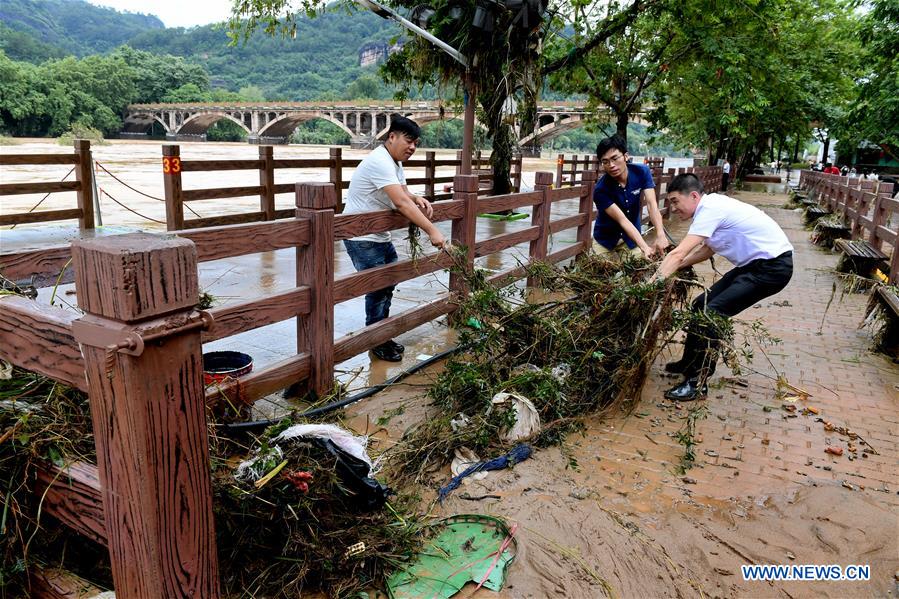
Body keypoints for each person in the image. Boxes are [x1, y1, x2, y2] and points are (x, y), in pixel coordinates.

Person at [652, 173, 794, 401]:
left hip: (772, 268)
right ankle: (689, 363)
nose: (674, 208)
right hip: (753, 266)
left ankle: (698, 383)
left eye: (676, 201)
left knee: (713, 313)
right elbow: (707, 250)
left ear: (694, 196)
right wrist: (674, 266)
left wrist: (651, 285)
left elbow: (679, 253)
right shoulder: (710, 208)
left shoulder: (710, 209)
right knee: (701, 304)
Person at [342, 115, 446, 362]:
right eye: (408, 141)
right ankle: (375, 341)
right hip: (362, 237)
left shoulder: (394, 162)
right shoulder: (380, 161)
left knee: (388, 284)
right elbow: (399, 202)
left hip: (378, 236)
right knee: (378, 289)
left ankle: (381, 335)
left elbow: (402, 193)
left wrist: (416, 197)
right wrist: (432, 230)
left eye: (416, 143)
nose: (412, 147)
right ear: (392, 137)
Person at [592, 134, 669, 258]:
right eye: (605, 162)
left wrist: (660, 234)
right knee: (602, 274)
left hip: (630, 239)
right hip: (605, 240)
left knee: (639, 270)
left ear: (626, 156)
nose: (611, 165)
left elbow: (651, 205)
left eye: (615, 158)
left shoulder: (642, 172)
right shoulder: (600, 190)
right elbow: (622, 220)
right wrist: (645, 247)